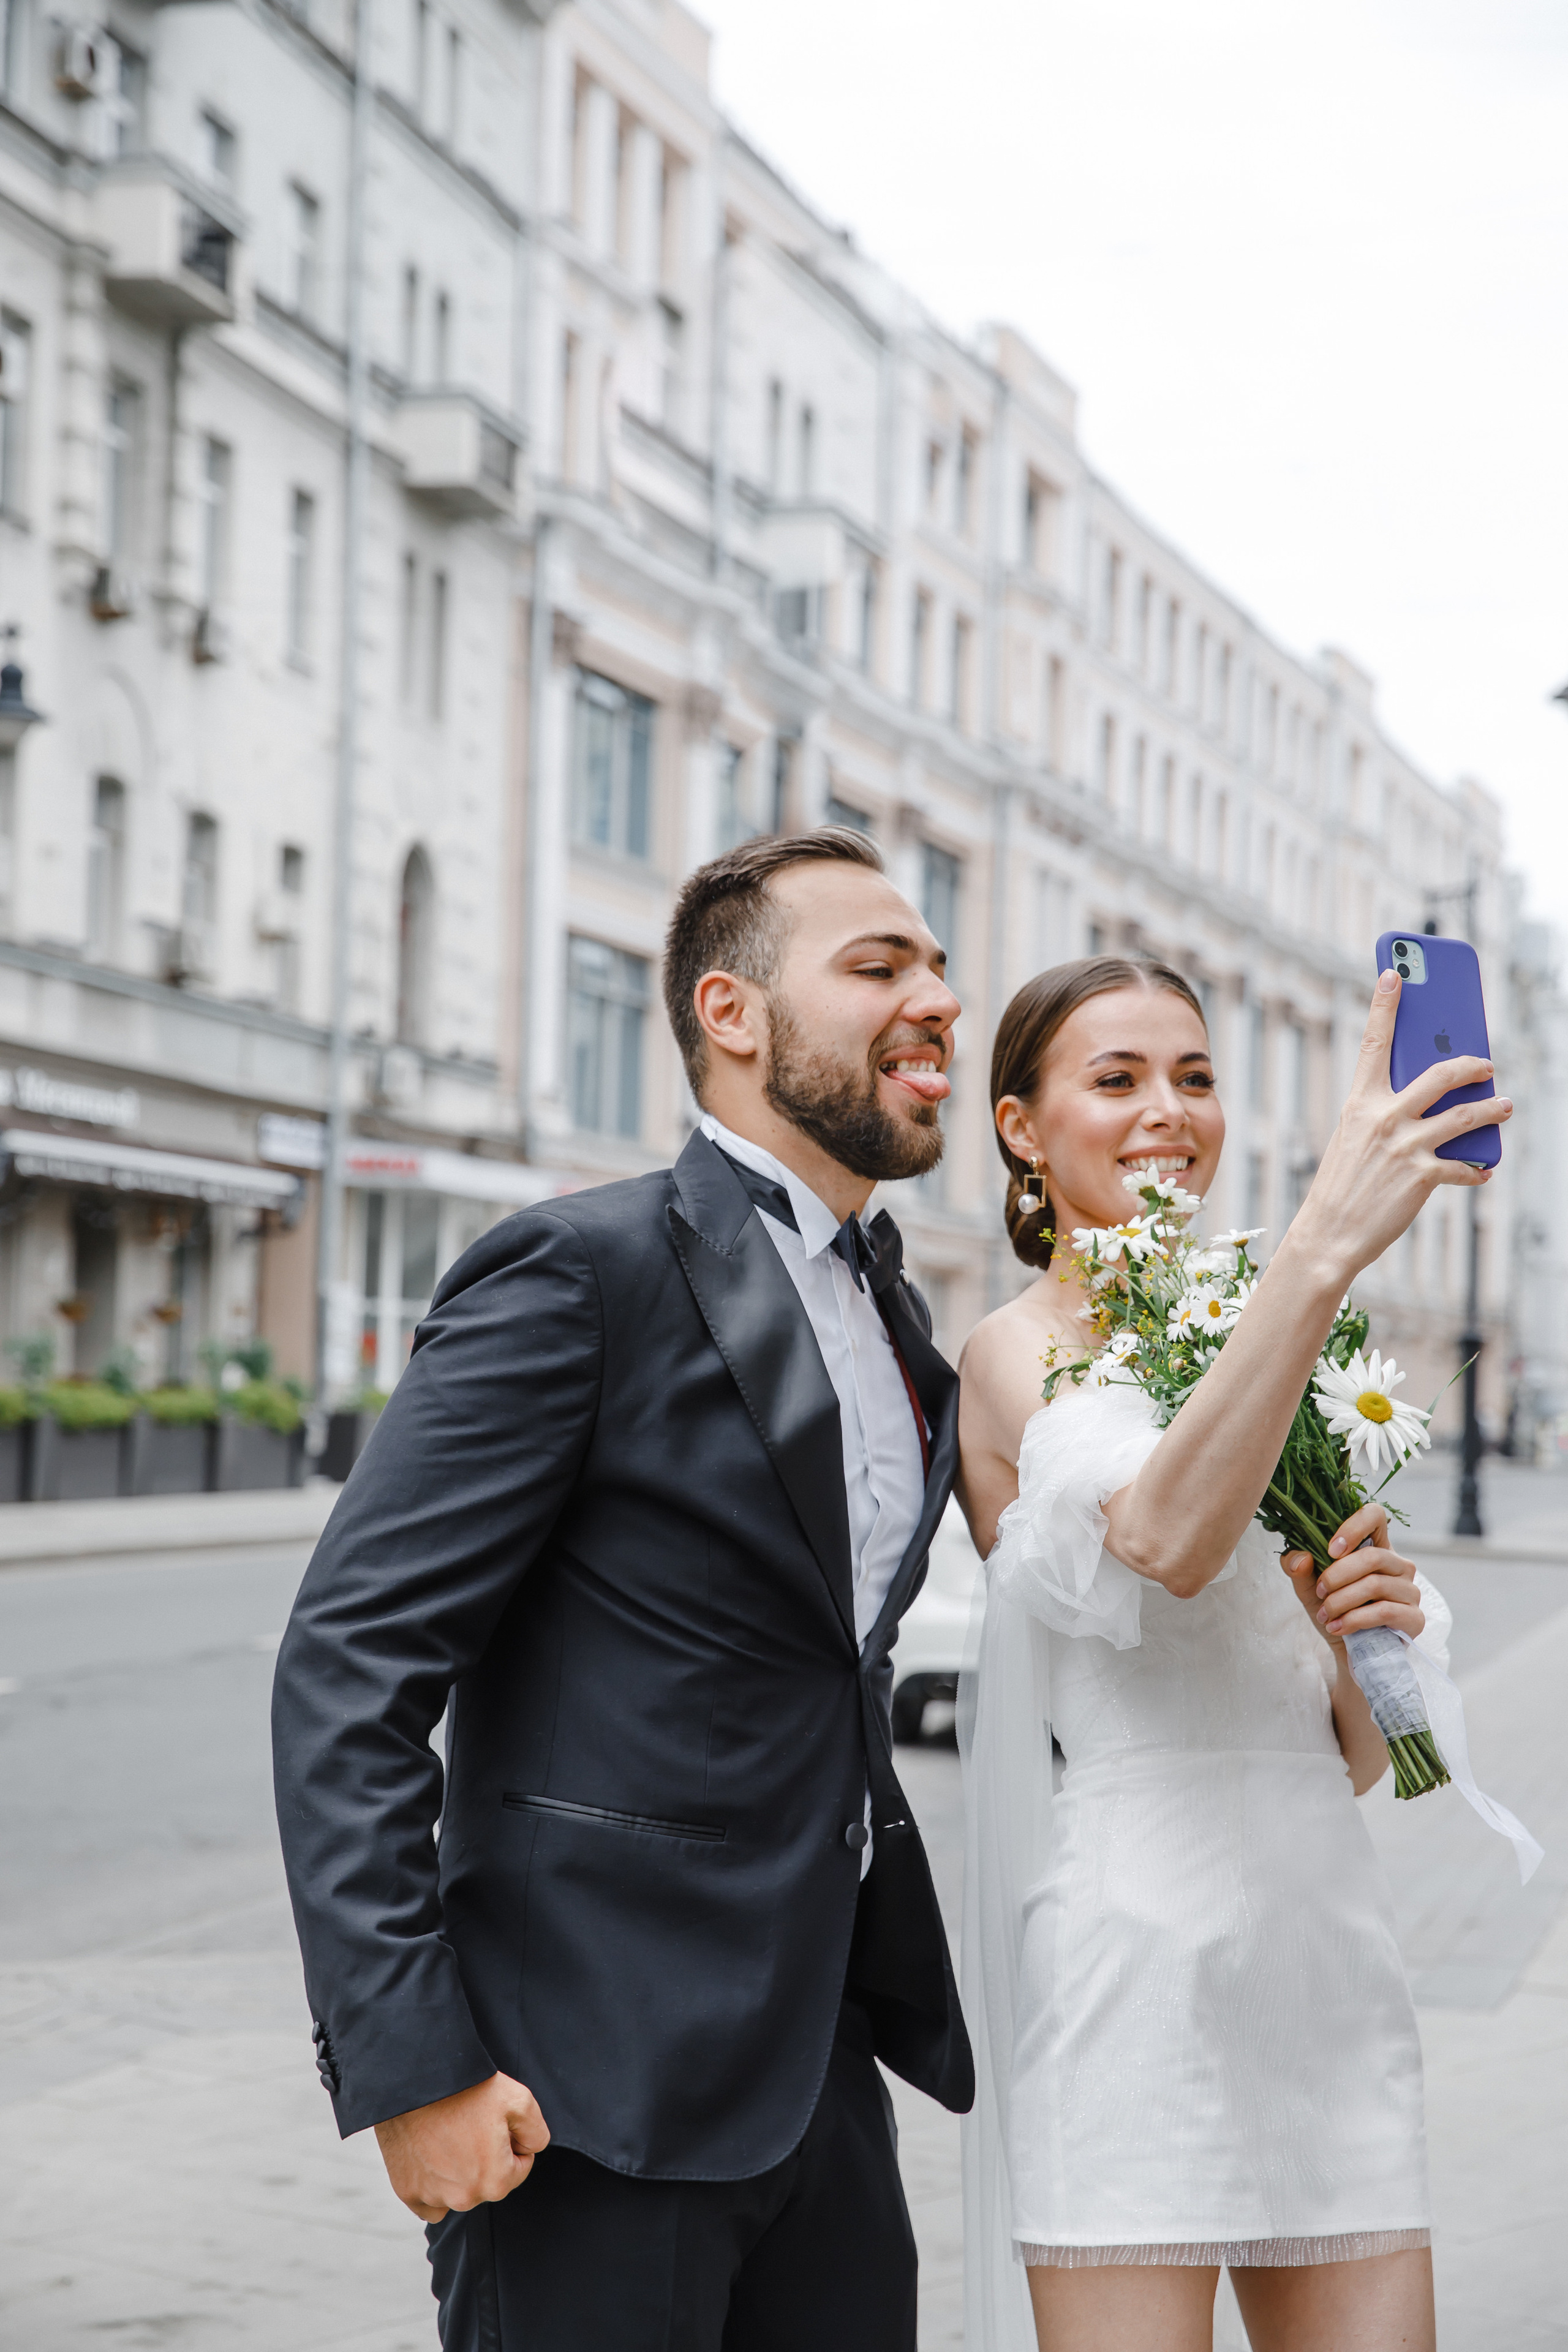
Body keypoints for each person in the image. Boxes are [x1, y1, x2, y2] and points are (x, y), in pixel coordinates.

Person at [271, 826, 973, 2352]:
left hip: (818, 2083)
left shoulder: (904, 1323)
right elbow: (348, 1668)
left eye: (936, 966)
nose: (934, 996)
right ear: (732, 1015)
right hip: (576, 2099)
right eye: (878, 966)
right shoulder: (577, 1273)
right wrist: (414, 2069)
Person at [956, 954, 1511, 2352]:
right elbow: (1164, 1538)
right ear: (1021, 1128)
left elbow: (1357, 1758)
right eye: (1117, 1078)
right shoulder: (1010, 1354)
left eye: (1193, 1077)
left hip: (1324, 1958)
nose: (1167, 1111)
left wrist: (1360, 1623)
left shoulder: (1273, 1336)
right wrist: (1318, 1251)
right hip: (1132, 1961)